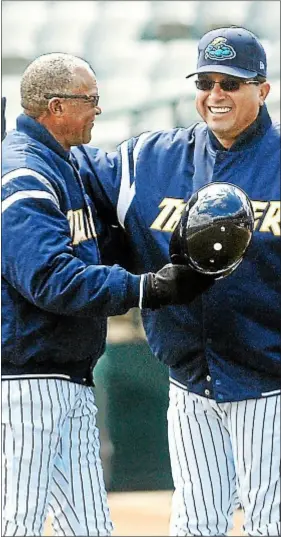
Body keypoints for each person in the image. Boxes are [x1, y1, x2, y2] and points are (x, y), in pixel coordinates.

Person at [73, 27, 281, 536]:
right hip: (190, 382)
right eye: (206, 81)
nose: (215, 95)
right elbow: (73, 171)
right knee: (194, 524)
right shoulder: (150, 160)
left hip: (270, 385)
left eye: (231, 83)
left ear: (263, 89)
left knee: (268, 522)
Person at [1, 53, 214, 537]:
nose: (98, 109)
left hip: (67, 376)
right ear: (56, 107)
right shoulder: (24, 175)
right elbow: (50, 279)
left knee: (90, 527)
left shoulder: (66, 164)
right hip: (25, 379)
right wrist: (144, 288)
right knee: (19, 521)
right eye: (90, 100)